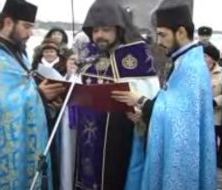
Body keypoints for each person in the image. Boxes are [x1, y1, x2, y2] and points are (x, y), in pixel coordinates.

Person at [112, 5, 216, 190]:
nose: (159, 41)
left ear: (181, 32)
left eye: (162, 34)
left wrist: (140, 100)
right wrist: (144, 115)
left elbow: (179, 123)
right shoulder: (184, 60)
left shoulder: (191, 68)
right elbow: (172, 107)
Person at [0, 0, 65, 189]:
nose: (30, 33)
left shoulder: (19, 53)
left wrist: (48, 99)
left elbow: (23, 88)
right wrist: (39, 96)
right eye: (26, 26)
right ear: (9, 22)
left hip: (25, 143)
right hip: (0, 150)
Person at [65, 0, 159, 189]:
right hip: (87, 137)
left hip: (121, 140)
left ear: (119, 29)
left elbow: (150, 101)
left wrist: (141, 117)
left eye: (106, 30)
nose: (99, 35)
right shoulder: (87, 59)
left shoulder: (137, 59)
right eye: (95, 30)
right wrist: (71, 74)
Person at [204, 44, 222, 164]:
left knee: (212, 141)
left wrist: (215, 101)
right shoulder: (197, 71)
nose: (203, 58)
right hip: (199, 113)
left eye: (206, 56)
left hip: (214, 114)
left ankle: (211, 163)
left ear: (213, 58)